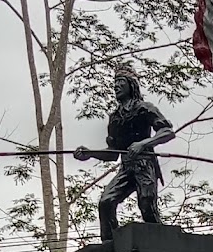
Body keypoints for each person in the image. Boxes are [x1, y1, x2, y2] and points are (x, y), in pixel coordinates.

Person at [74, 64, 175, 241]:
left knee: (146, 204)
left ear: (131, 85)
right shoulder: (115, 118)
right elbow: (113, 154)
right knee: (106, 202)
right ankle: (110, 246)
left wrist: (143, 144)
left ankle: (161, 243)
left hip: (145, 165)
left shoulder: (145, 108)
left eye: (120, 82)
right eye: (114, 84)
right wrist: (91, 153)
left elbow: (167, 132)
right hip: (126, 167)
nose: (116, 87)